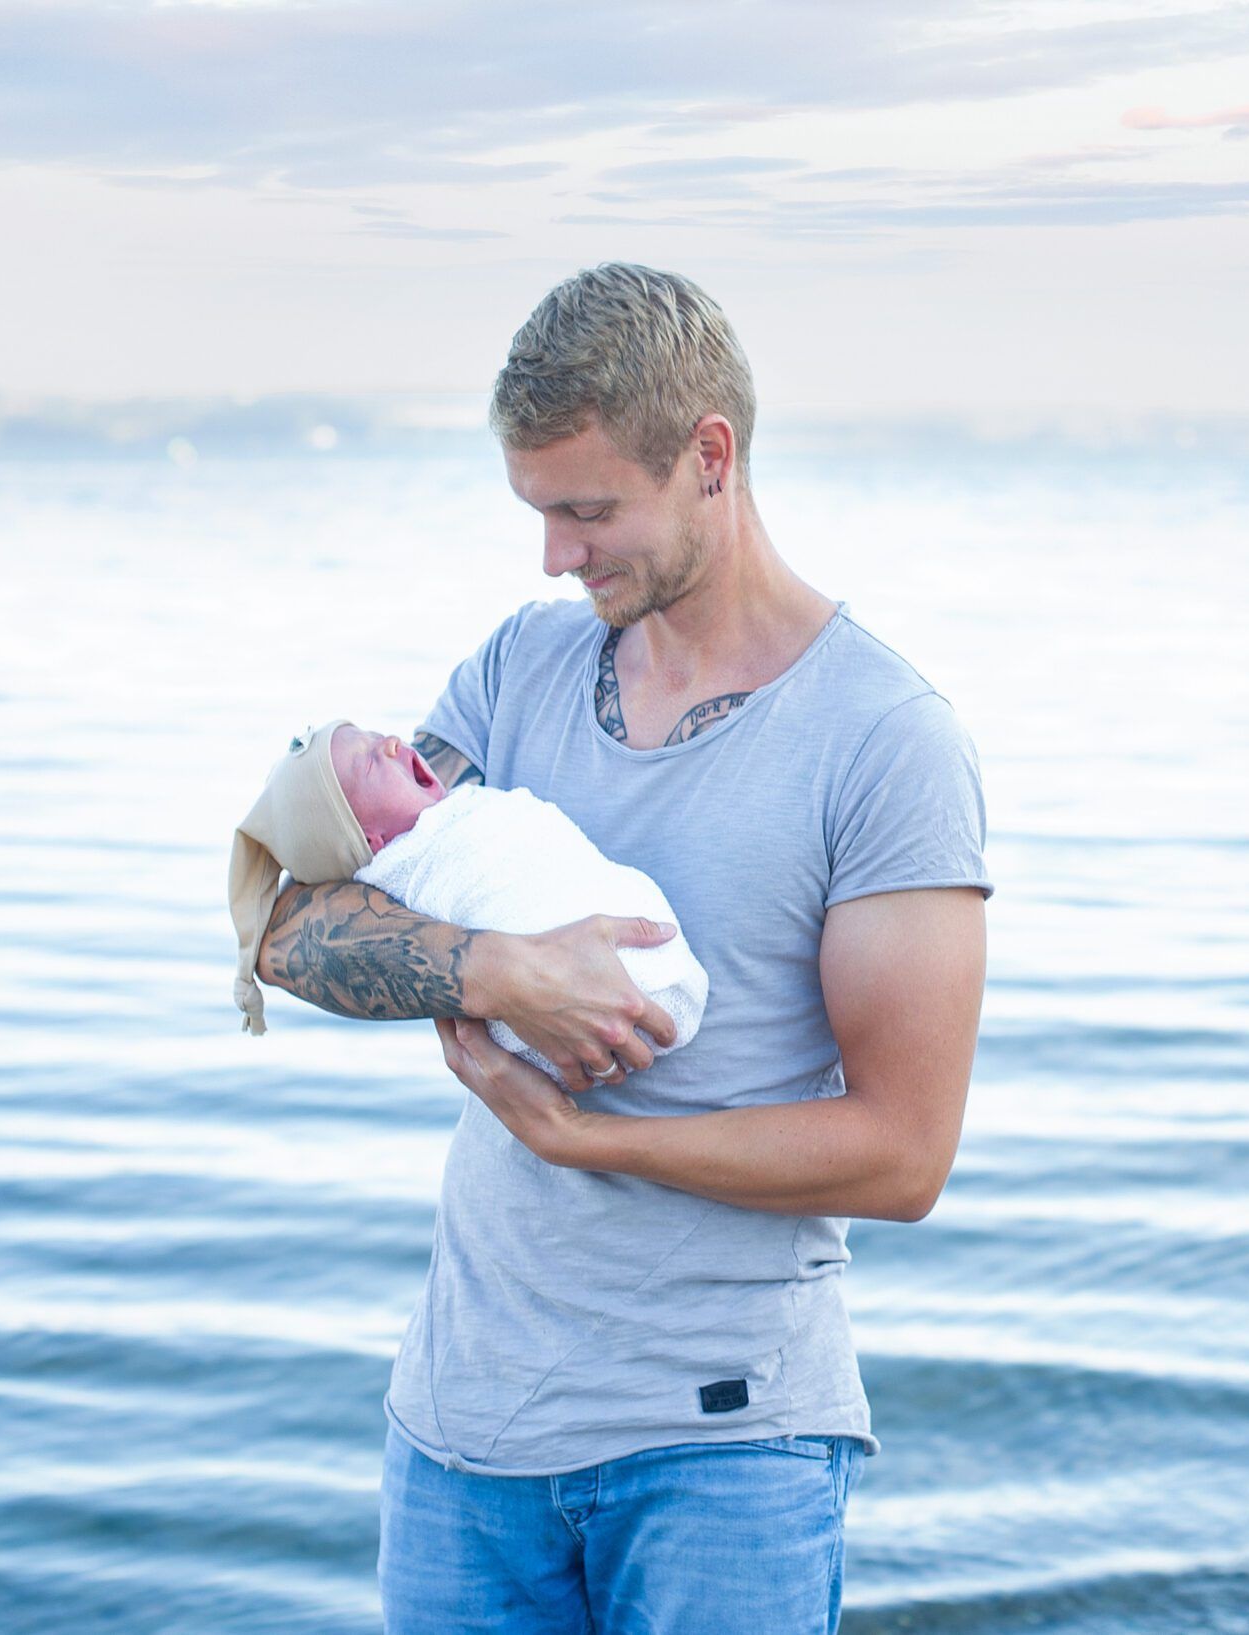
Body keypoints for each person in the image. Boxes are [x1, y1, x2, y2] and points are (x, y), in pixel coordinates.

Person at [253, 262, 991, 1634]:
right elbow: (287, 927)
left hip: (723, 1448)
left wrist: (597, 1139)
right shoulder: (517, 671)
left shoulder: (887, 741)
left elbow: (904, 1152)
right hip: (462, 1433)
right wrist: (501, 971)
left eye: (589, 510)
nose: (555, 556)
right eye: (539, 512)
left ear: (710, 455)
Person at [223, 716, 709, 1080]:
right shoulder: (412, 867)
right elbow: (276, 940)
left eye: (376, 735)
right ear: (371, 842)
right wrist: (515, 977)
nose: (394, 743)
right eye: (370, 760)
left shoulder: (457, 818)